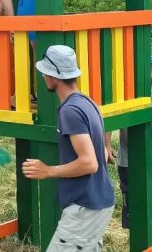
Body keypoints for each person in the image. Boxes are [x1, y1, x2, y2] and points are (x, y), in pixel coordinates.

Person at [22, 45, 114, 251]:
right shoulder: (87, 103)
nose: (43, 76)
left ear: (55, 76)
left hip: (85, 206)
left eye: (45, 72)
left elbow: (90, 163)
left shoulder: (70, 111)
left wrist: (48, 171)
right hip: (97, 202)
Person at [105, 55, 152, 251]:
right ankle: (139, 240)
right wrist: (107, 145)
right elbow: (109, 119)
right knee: (134, 200)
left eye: (146, 68)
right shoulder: (123, 94)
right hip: (131, 158)